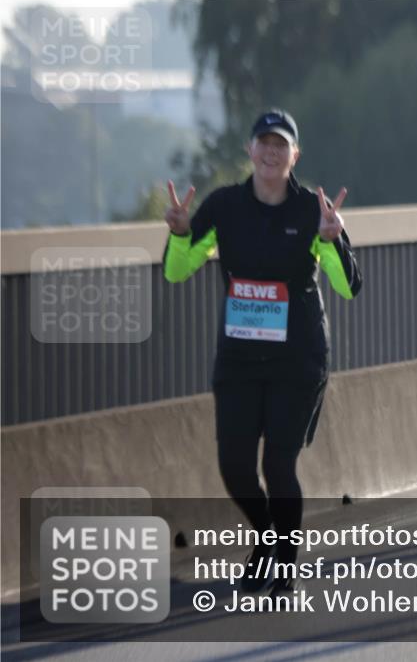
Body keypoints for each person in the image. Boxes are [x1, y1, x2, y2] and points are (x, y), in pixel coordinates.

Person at [163, 109, 362, 597]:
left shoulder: (312, 210)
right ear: (250, 150)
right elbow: (177, 270)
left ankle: (284, 568)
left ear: (295, 155)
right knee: (234, 467)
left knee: (277, 466)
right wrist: (181, 233)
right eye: (264, 143)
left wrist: (331, 241)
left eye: (281, 145)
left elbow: (347, 286)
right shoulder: (225, 206)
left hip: (298, 358)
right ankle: (268, 538)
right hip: (239, 359)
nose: (272, 152)